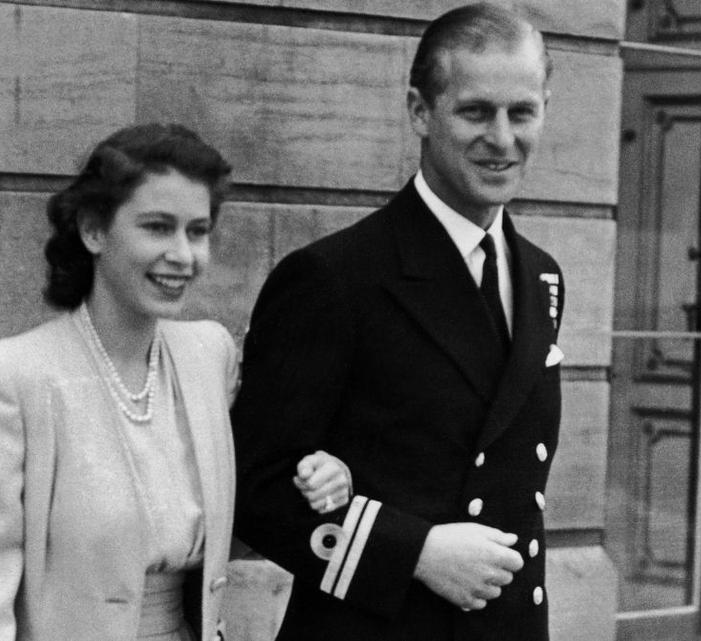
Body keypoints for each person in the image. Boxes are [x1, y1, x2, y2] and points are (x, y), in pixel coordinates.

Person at [0, 123, 351, 641]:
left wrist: (326, 470)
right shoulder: (2, 378)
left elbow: (261, 487)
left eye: (197, 231)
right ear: (94, 230)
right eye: (156, 227)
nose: (183, 254)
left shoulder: (208, 355)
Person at [231, 4, 564, 640]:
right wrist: (412, 550)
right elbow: (255, 487)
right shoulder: (336, 277)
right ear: (419, 111)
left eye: (522, 112)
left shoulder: (542, 277)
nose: (502, 138)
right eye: (475, 111)